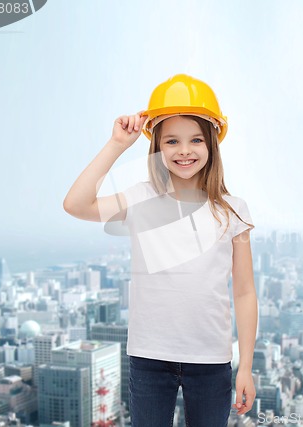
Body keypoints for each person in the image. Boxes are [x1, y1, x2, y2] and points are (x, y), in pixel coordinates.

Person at [63, 74, 258, 427]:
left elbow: (245, 292)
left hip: (211, 359)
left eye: (196, 139)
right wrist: (116, 145)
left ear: (212, 144)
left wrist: (246, 365)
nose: (185, 150)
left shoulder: (233, 209)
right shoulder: (140, 197)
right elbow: (76, 205)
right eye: (172, 141)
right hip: (149, 357)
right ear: (157, 148)